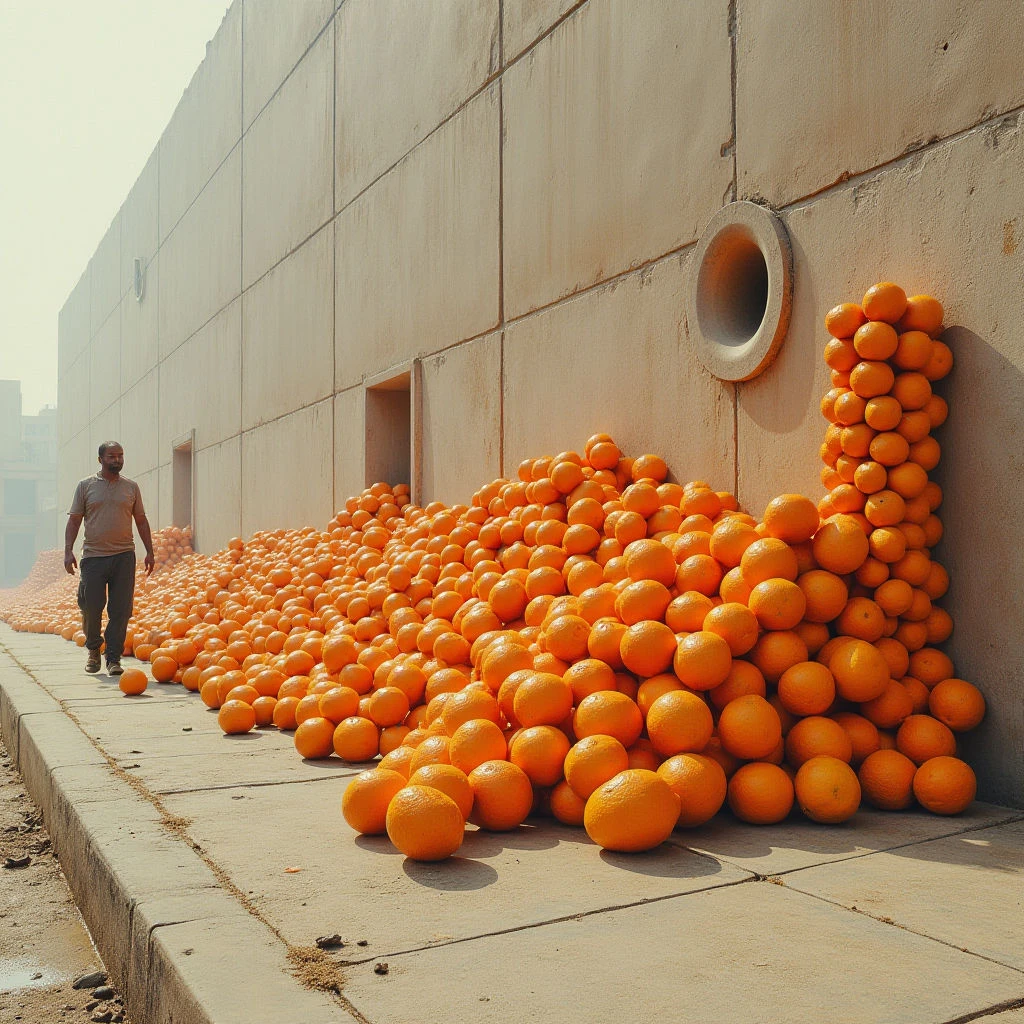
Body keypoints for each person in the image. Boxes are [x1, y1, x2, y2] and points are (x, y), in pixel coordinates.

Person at [64, 442, 154, 674]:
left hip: (124, 556)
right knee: (91, 606)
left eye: (120, 456)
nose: (117, 460)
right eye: (112, 456)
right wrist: (68, 551)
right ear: (100, 459)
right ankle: (94, 649)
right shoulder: (85, 486)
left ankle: (113, 658)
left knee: (121, 610)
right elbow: (74, 520)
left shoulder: (131, 487)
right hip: (94, 557)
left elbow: (141, 520)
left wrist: (150, 551)